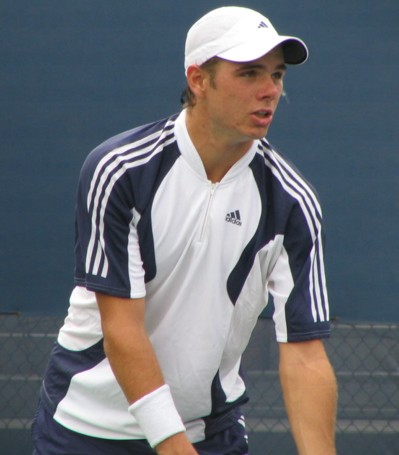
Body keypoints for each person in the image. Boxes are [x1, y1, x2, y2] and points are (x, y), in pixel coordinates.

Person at [32, 6, 337, 455]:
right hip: (85, 430)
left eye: (277, 74)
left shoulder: (293, 203)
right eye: (249, 74)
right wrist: (172, 444)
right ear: (198, 80)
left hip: (208, 433)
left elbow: (305, 354)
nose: (270, 90)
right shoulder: (119, 171)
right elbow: (122, 328)